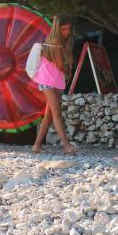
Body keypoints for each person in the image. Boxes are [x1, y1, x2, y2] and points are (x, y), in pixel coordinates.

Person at [32, 15, 77, 154]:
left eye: (68, 29)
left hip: (54, 82)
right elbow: (60, 66)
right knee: (57, 113)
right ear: (57, 29)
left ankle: (36, 146)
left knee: (49, 115)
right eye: (64, 29)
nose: (67, 32)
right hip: (47, 82)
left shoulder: (58, 42)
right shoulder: (55, 43)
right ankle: (66, 145)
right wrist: (68, 68)